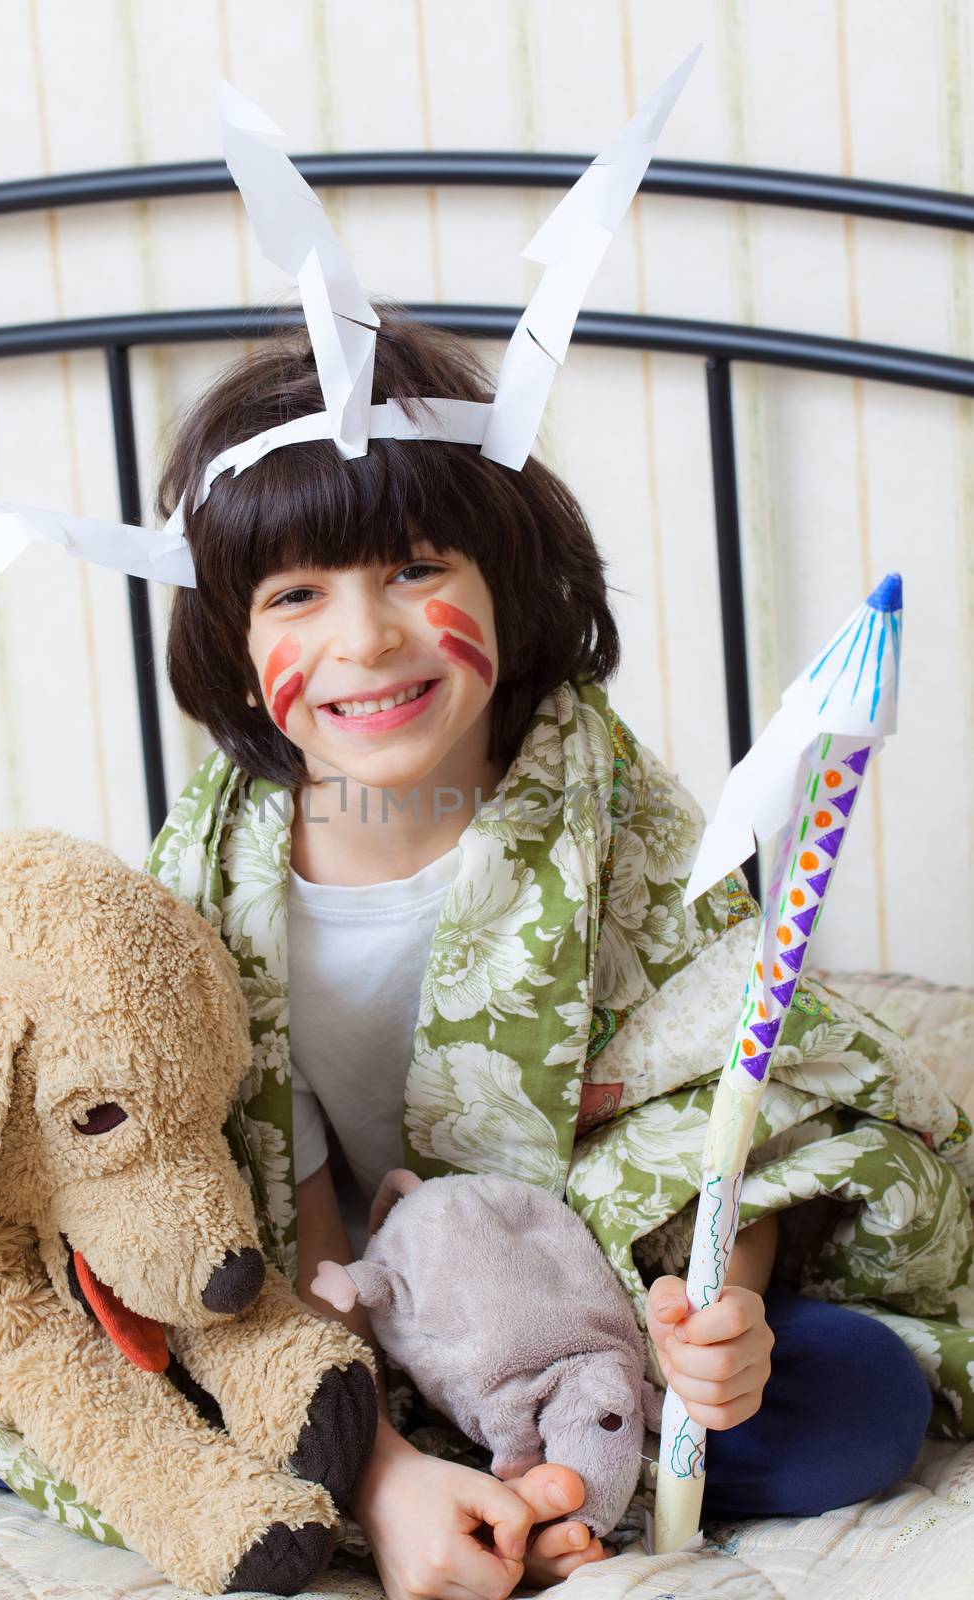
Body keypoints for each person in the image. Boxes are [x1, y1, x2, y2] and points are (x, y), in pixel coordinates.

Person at [139, 309, 944, 1597]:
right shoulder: (217, 889)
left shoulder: (606, 811)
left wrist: (707, 1329)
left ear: (505, 587)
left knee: (860, 1397)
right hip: (336, 1309)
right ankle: (438, 1491)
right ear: (236, 666)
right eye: (297, 595)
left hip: (589, 1308)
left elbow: (725, 1092)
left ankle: (565, 1464)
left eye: (412, 568)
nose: (366, 639)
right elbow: (246, 1186)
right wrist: (377, 1465)